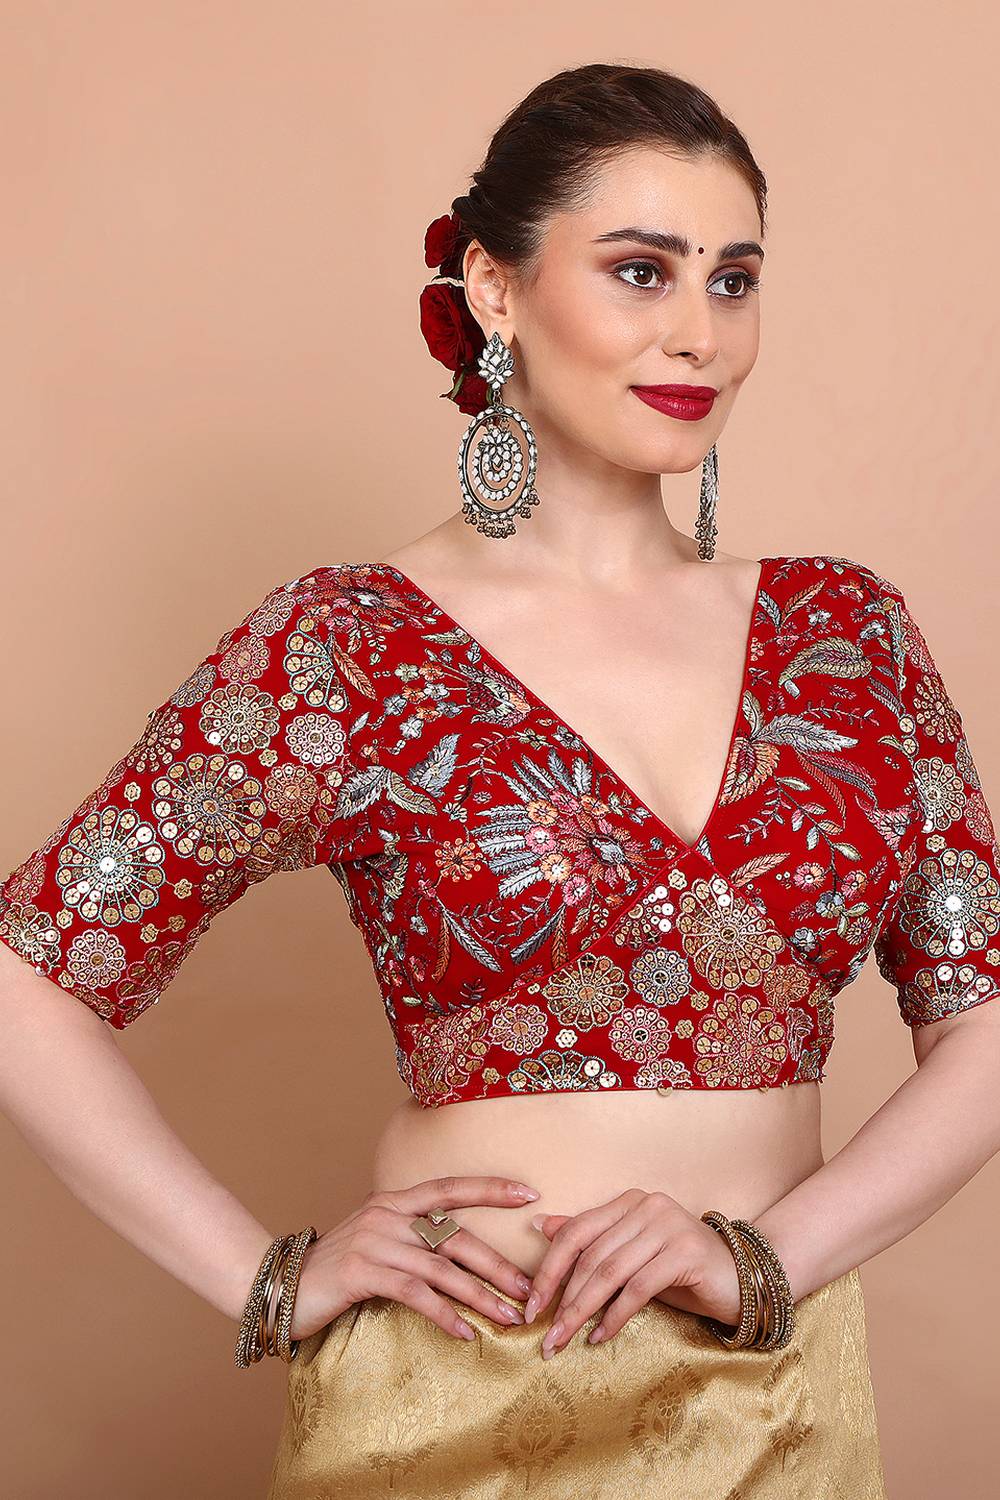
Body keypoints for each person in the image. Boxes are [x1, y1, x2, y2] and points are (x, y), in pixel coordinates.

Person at [2, 60, 998, 1499]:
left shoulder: (849, 638)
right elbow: (28, 977)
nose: (700, 332)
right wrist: (264, 1277)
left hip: (771, 1407)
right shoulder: (350, 649)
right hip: (451, 1400)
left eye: (733, 281)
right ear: (495, 287)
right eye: (641, 272)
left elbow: (984, 1028)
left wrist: (769, 1258)